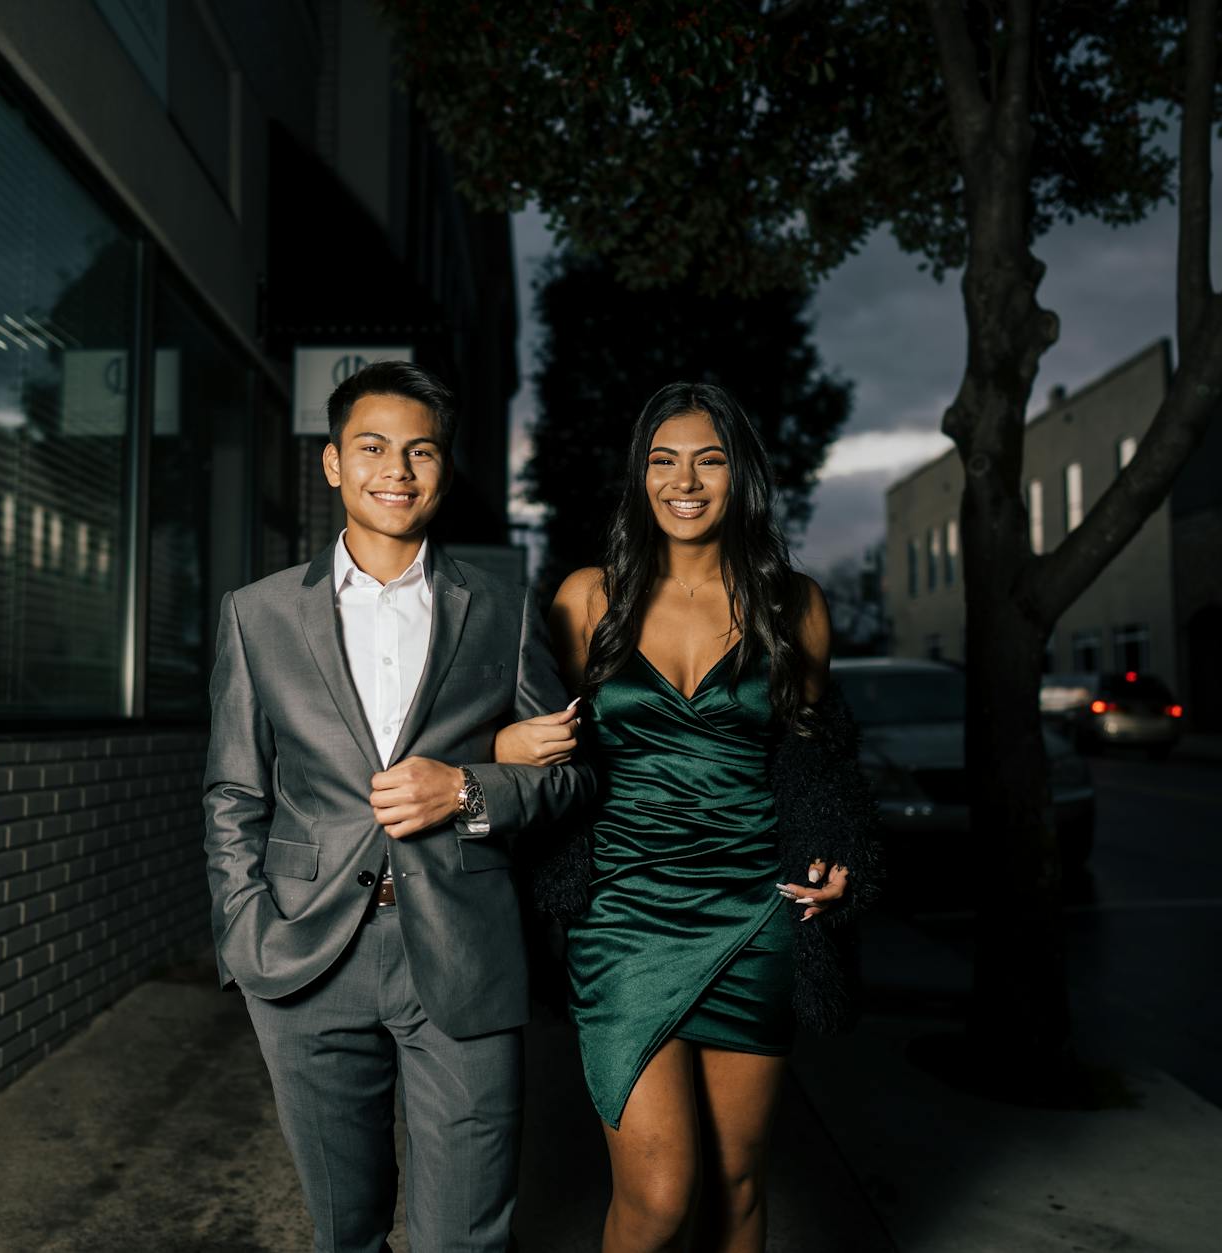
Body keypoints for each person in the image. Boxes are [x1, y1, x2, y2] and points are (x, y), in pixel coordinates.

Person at [201, 361, 595, 1253]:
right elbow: (233, 790)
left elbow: (569, 774)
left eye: (421, 451)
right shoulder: (257, 614)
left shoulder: (503, 608)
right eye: (373, 447)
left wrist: (464, 788)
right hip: (306, 953)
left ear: (445, 471)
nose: (398, 469)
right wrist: (243, 926)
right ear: (334, 463)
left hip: (464, 948)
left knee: (464, 1236)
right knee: (346, 1232)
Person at [497, 381, 870, 1253]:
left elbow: (820, 756)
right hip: (623, 916)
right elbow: (527, 729)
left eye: (708, 459)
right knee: (660, 1196)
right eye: (663, 460)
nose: (685, 480)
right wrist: (506, 745)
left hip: (756, 911)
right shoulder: (590, 598)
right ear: (640, 477)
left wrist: (838, 853)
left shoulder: (795, 605)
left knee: (739, 1185)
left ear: (740, 474)